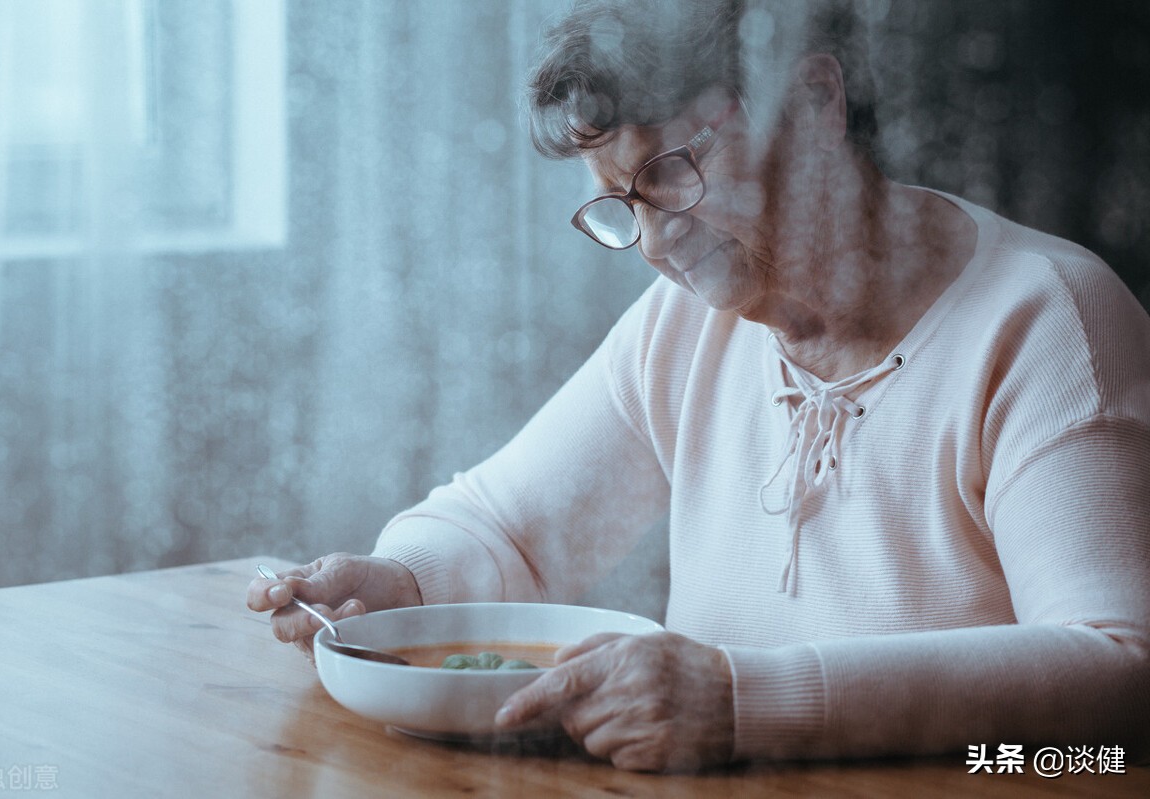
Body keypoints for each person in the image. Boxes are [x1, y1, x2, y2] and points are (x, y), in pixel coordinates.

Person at [248, 0, 1150, 772]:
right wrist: (400, 586)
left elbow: (1120, 673)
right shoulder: (690, 326)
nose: (651, 243)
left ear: (814, 100)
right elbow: (507, 530)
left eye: (670, 172)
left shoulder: (1047, 320)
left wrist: (743, 701)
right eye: (622, 205)